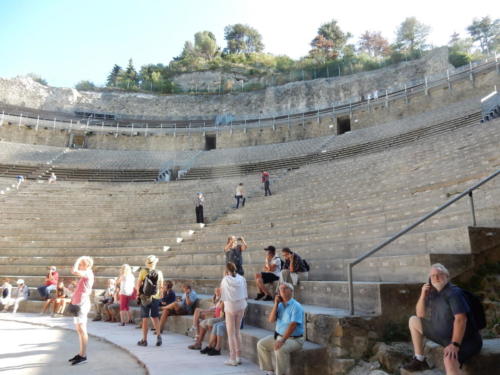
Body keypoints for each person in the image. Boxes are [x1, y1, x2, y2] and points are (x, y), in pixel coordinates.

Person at [402, 263, 483, 374]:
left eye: (440, 274)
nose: (436, 278)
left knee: (449, 359)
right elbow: (420, 314)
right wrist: (422, 295)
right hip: (444, 337)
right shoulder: (433, 292)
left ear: (447, 276)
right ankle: (419, 359)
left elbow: (461, 319)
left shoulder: (454, 293)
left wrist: (455, 344)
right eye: (433, 276)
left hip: (465, 340)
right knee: (413, 320)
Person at [257, 283, 305, 375]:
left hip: (295, 340)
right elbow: (271, 320)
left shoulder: (296, 306)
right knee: (261, 344)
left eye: (285, 288)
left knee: (280, 349)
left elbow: (293, 325)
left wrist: (282, 340)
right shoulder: (279, 305)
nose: (282, 290)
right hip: (278, 336)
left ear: (291, 291)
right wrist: (275, 304)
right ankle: (270, 371)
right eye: (280, 289)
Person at [221, 262, 248, 366]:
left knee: (231, 333)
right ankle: (238, 357)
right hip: (241, 305)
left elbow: (223, 296)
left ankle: (232, 358)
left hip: (230, 307)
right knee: (237, 332)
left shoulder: (225, 279)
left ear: (226, 270)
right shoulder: (241, 278)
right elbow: (245, 293)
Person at [68, 256, 94, 366]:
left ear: (87, 265)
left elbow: (74, 270)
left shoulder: (88, 273)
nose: (79, 266)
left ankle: (83, 356)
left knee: (82, 329)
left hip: (82, 305)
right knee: (79, 329)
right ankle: (81, 353)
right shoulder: (86, 273)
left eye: (81, 264)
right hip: (78, 303)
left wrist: (79, 258)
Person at [137, 255, 164, 347]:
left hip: (145, 297)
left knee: (145, 319)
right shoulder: (159, 272)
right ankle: (159, 336)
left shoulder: (143, 271)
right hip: (155, 297)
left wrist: (138, 295)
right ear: (155, 263)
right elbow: (161, 286)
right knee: (155, 317)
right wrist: (160, 295)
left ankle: (144, 340)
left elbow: (138, 284)